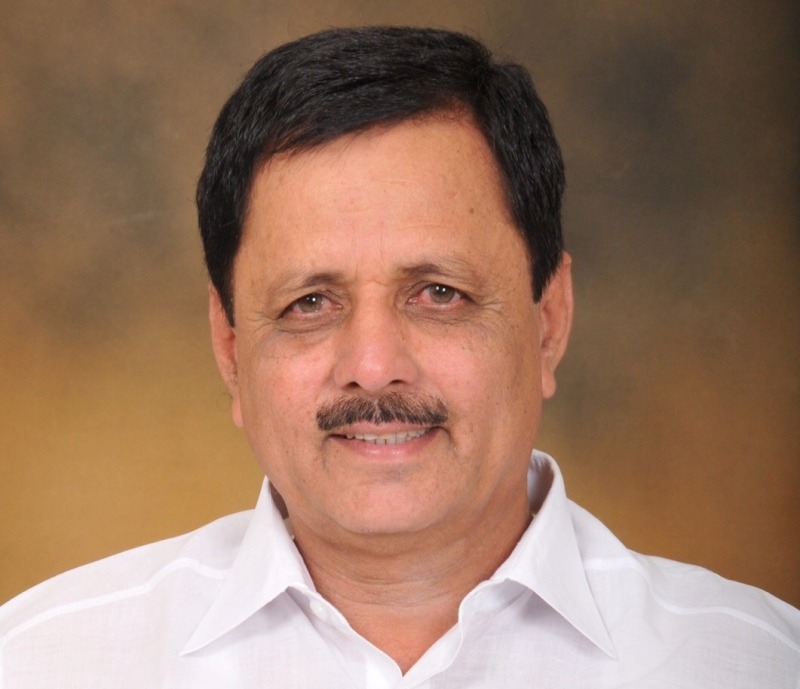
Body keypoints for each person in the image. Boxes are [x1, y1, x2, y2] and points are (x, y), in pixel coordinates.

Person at [1, 26, 798, 688]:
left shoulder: (755, 664)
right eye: (310, 302)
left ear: (549, 322)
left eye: (438, 293)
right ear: (230, 347)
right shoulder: (42, 662)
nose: (375, 365)